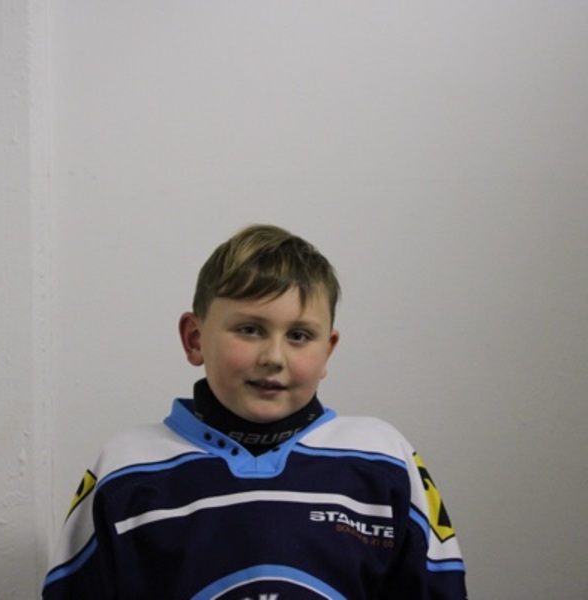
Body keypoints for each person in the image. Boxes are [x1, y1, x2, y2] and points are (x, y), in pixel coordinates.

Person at [42, 224, 467, 599]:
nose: (273, 357)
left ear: (327, 351)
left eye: (299, 335)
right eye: (250, 329)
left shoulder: (384, 461)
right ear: (194, 339)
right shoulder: (125, 470)